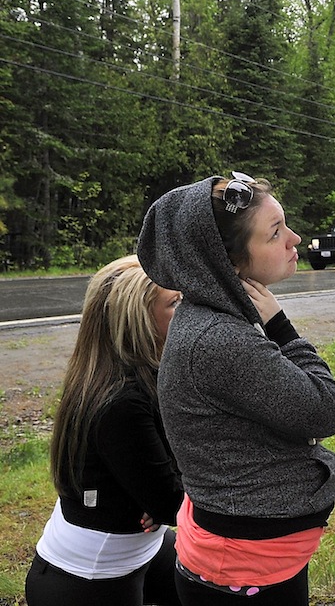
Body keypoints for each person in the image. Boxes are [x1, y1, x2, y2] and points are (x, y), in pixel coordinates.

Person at [136, 173, 335, 606]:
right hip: (245, 565)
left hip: (244, 551)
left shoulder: (207, 316)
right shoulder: (221, 339)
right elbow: (326, 410)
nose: (294, 238)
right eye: (275, 233)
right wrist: (281, 327)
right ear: (227, 261)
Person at [25, 256, 184, 606]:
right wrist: (168, 495)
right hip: (89, 578)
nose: (187, 311)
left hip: (144, 550)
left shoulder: (150, 370)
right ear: (139, 320)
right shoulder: (119, 401)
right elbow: (174, 503)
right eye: (174, 303)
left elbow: (173, 489)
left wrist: (168, 492)